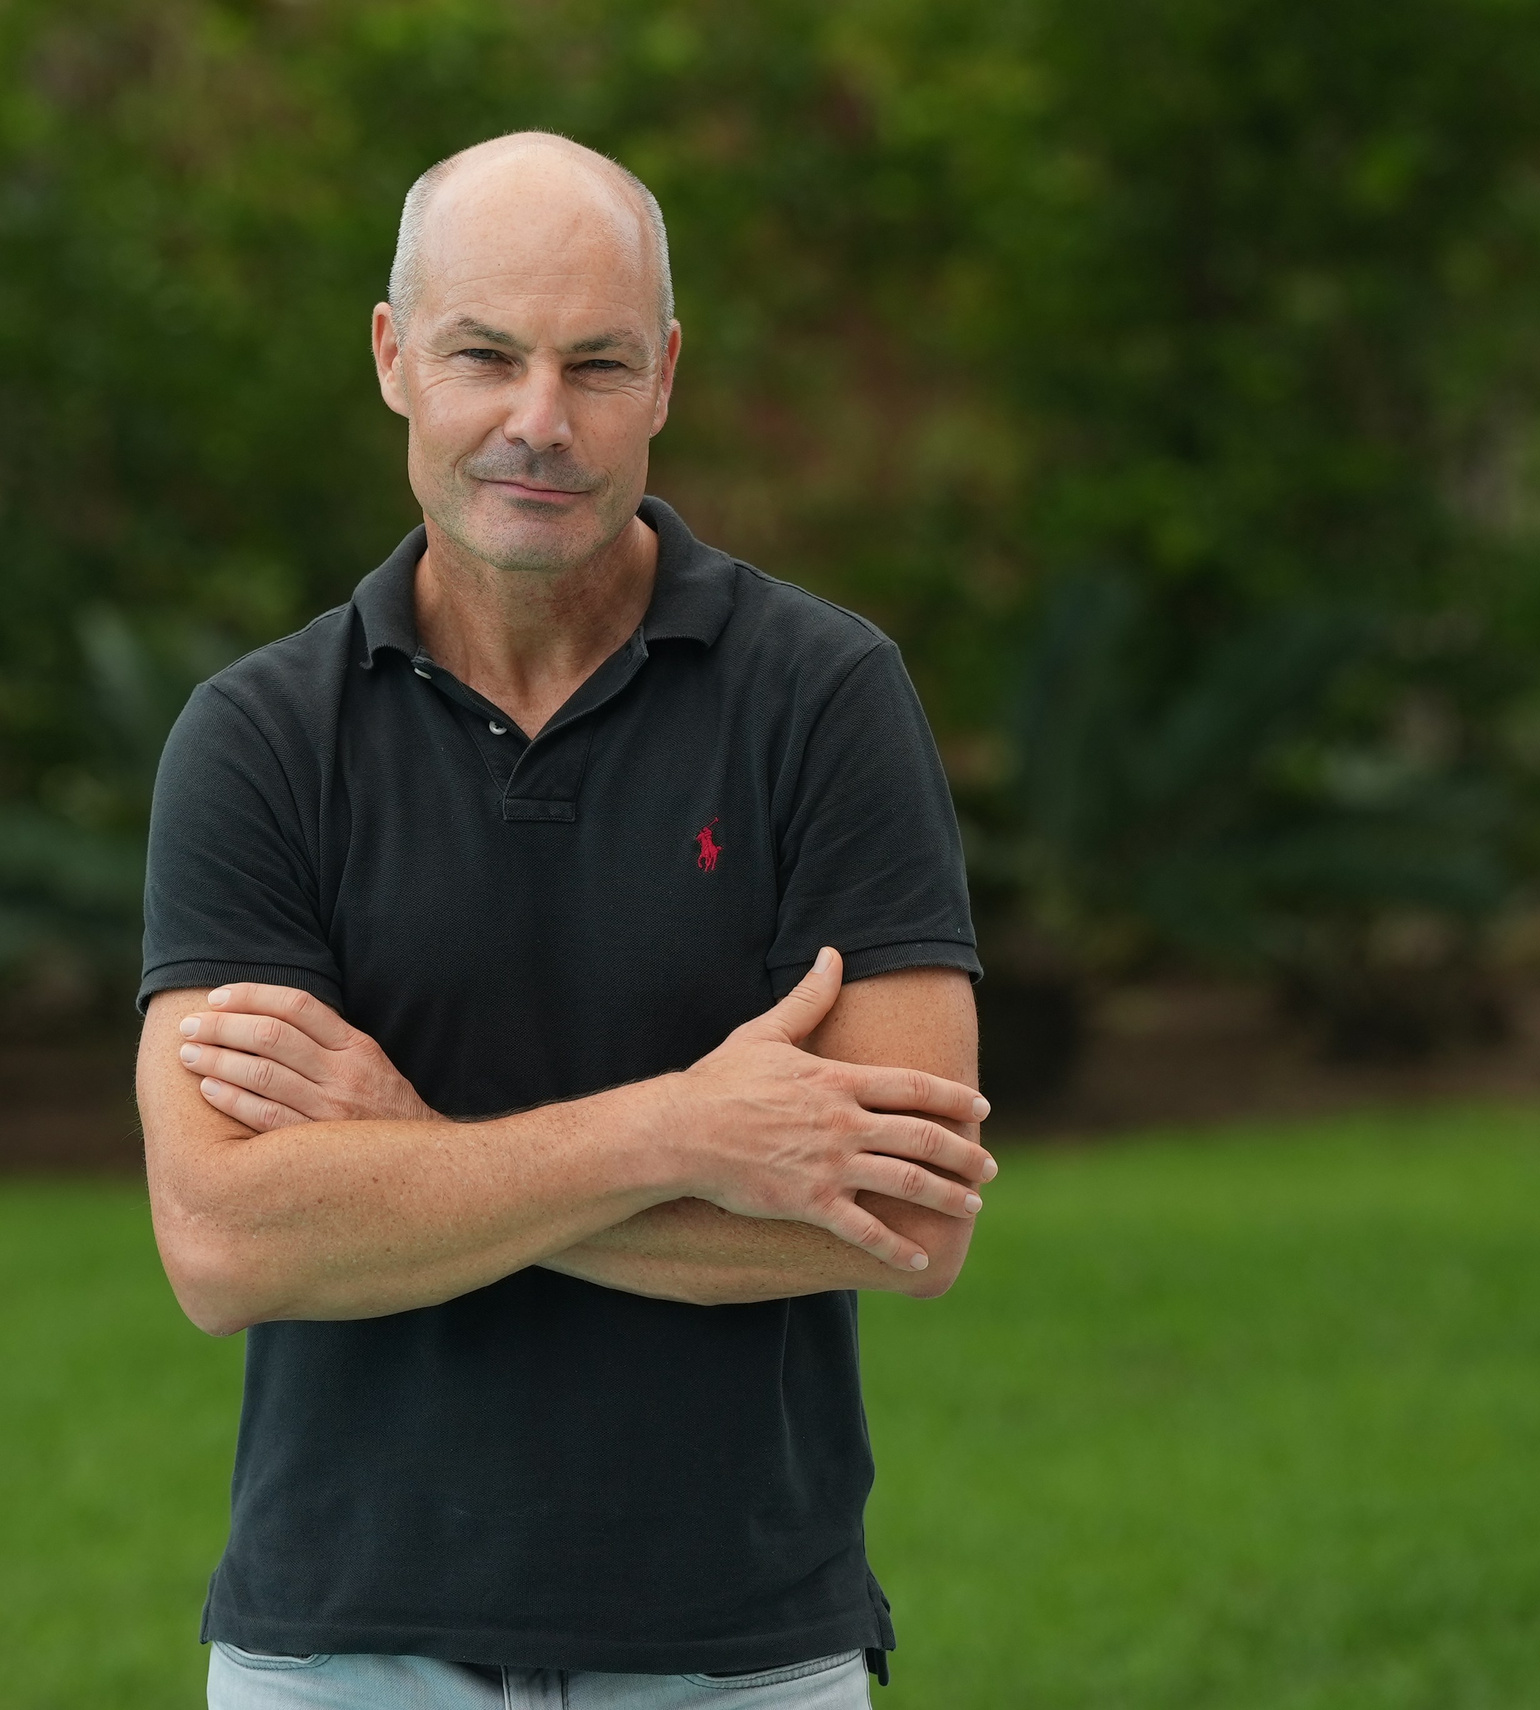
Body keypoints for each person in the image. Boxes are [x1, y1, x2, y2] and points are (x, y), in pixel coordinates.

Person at [134, 130, 994, 1710]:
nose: (541, 420)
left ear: (664, 377)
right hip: (341, 1652)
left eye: (596, 363)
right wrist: (687, 1132)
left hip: (740, 1652)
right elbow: (224, 1239)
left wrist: (406, 1150)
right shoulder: (259, 738)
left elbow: (904, 1216)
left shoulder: (824, 701)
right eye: (486, 356)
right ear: (393, 357)